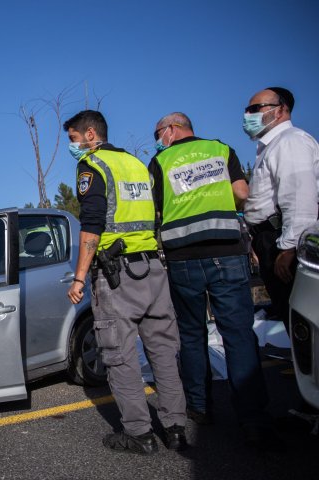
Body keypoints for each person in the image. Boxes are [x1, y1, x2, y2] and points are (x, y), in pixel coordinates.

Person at [65, 110, 187, 454]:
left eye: (73, 138)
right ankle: (176, 428)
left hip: (117, 275)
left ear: (90, 134)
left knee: (119, 355)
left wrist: (79, 277)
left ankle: (139, 433)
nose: (72, 146)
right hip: (153, 268)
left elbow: (92, 225)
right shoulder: (136, 163)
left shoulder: (93, 164)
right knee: (163, 350)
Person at [149, 112, 274, 448]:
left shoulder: (160, 162)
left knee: (191, 335)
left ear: (172, 129)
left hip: (182, 258)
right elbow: (242, 193)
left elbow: (155, 209)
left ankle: (200, 407)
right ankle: (253, 419)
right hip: (226, 252)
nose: (157, 140)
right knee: (238, 334)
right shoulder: (221, 149)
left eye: (158, 133)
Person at [243, 87, 319, 327]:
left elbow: (299, 197)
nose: (248, 115)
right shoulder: (271, 146)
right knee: (290, 317)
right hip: (272, 239)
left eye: (256, 109)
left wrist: (289, 248)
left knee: (301, 320)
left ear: (281, 110)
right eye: (247, 110)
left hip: (285, 242)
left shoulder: (290, 141)